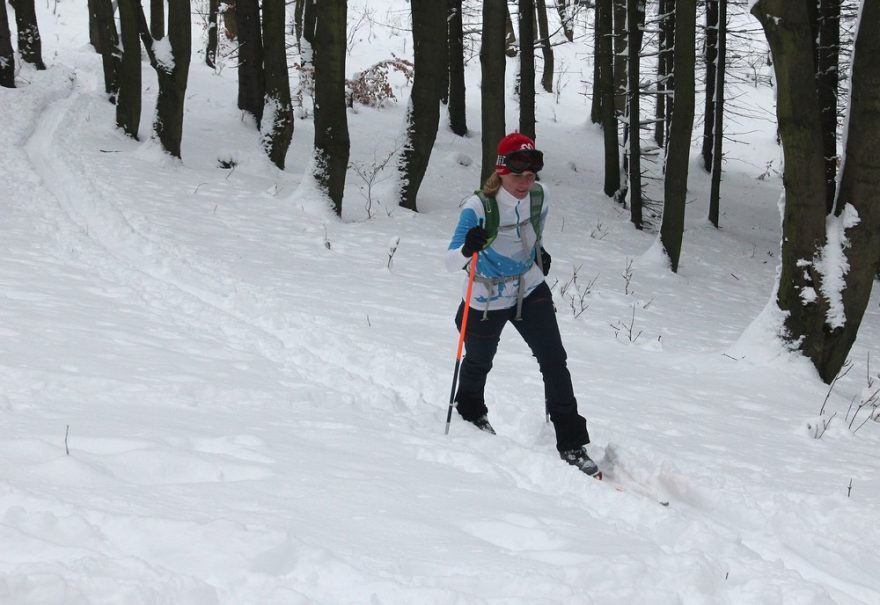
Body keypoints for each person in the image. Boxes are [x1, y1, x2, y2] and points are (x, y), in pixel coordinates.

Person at [445, 132, 600, 477]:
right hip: (486, 294)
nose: (524, 183)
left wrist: (537, 254)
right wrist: (469, 248)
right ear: (501, 171)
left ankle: (572, 443)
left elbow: (535, 233)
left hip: (528, 287)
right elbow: (449, 262)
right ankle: (471, 412)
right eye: (518, 176)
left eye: (531, 176)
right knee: (479, 361)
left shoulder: (540, 197)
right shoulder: (478, 207)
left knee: (554, 360)